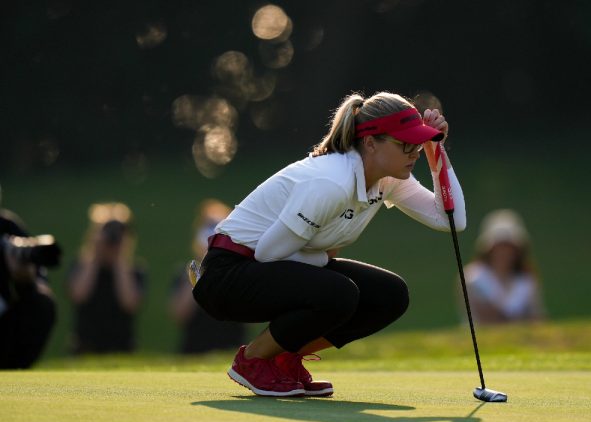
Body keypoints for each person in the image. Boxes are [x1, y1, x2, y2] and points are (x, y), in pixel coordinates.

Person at [192, 91, 465, 397]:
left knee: (390, 294)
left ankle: (285, 356)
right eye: (406, 145)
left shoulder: (389, 178)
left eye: (418, 143)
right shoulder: (331, 182)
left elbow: (451, 220)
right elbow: (268, 253)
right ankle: (253, 359)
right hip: (228, 275)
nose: (413, 152)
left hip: (267, 268)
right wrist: (326, 264)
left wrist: (436, 152)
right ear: (371, 142)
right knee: (340, 292)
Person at [68, 202, 146, 354]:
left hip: (122, 348)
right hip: (85, 347)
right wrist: (95, 255)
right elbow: (79, 295)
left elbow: (129, 303)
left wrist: (120, 259)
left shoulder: (134, 270)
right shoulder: (81, 266)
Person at [170, 199, 245, 353]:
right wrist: (201, 267)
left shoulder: (240, 270)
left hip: (230, 350)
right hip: (194, 350)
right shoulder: (184, 273)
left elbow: (246, 314)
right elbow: (180, 315)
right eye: (209, 226)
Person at [0, 200, 60, 369]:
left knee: (42, 303)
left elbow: (41, 287)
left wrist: (25, 281)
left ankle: (13, 376)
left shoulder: (7, 226)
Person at [461, 209, 545, 324]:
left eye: (508, 247)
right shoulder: (472, 278)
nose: (504, 252)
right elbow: (482, 317)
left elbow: (537, 316)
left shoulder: (526, 279)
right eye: (499, 246)